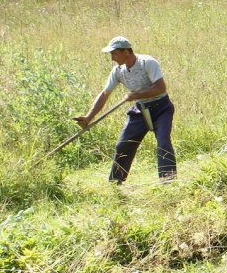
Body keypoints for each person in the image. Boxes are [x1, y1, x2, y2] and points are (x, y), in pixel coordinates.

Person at [74, 36, 176, 184]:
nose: (112, 58)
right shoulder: (118, 71)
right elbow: (104, 94)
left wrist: (137, 95)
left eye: (114, 54)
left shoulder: (147, 63)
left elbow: (161, 88)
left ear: (126, 52)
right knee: (123, 144)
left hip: (161, 108)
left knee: (163, 143)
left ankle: (168, 181)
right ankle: (116, 183)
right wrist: (89, 117)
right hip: (139, 110)